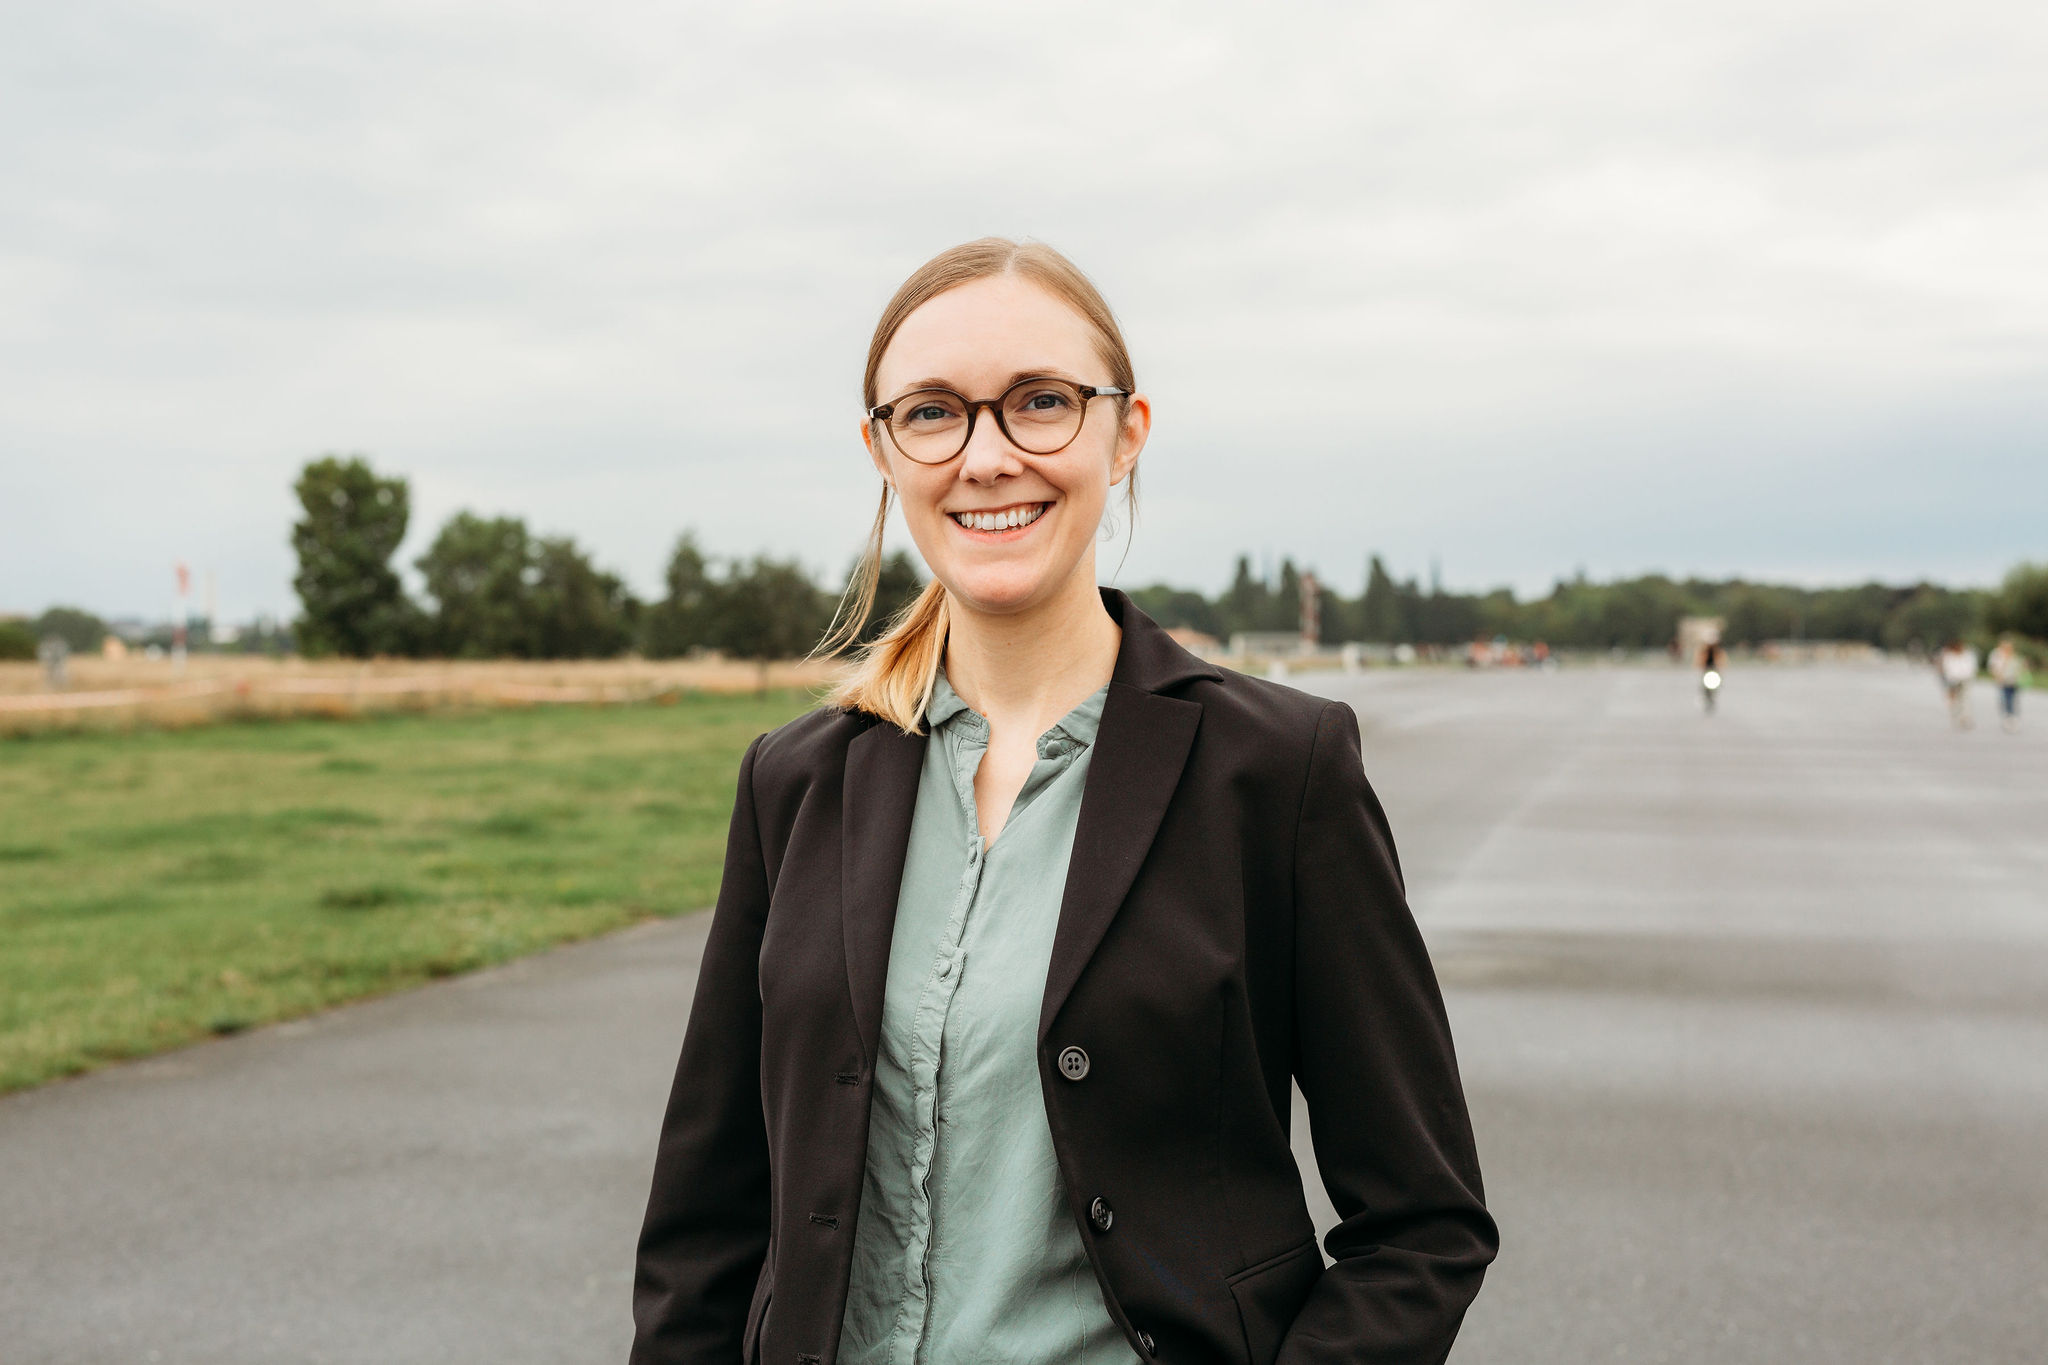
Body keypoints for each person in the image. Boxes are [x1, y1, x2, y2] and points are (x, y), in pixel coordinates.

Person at [627, 239, 1497, 1365]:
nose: (986, 457)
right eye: (933, 413)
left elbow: (1421, 1227)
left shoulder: (1276, 772)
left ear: (1124, 433)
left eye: (1040, 402)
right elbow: (703, 1227)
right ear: (882, 451)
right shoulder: (796, 783)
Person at [1938, 639, 1978, 729]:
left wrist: (1969, 676)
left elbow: (1971, 667)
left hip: (1965, 680)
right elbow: (1946, 668)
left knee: (1965, 699)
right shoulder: (1949, 656)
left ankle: (1965, 717)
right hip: (1953, 680)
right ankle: (1956, 714)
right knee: (1955, 700)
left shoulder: (1967, 655)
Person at [1987, 635, 2023, 732]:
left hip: (2014, 681)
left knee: (2013, 699)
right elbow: (1993, 667)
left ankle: (2012, 717)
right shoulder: (1997, 654)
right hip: (2003, 681)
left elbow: (2019, 667)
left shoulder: (2014, 655)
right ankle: (2007, 717)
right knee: (2005, 699)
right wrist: (1997, 676)